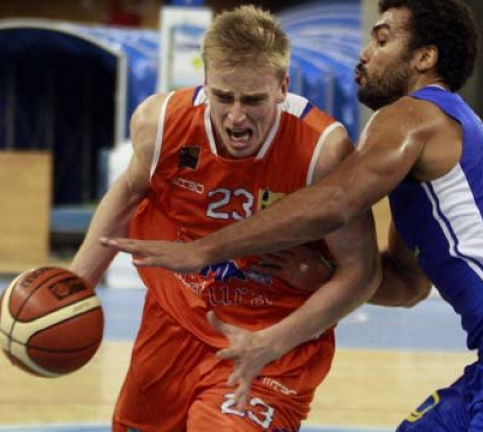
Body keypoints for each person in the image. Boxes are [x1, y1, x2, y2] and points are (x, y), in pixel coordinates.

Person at [104, 0, 483, 430]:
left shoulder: (413, 116)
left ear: (424, 57)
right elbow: (407, 285)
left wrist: (206, 247)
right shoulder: (426, 172)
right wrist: (325, 274)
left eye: (381, 39)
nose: (364, 54)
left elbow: (334, 202)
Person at [72, 6, 380, 431]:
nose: (236, 116)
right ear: (205, 83)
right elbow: (127, 193)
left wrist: (272, 341)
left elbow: (362, 273)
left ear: (281, 86)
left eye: (253, 99)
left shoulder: (322, 151)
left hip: (271, 338)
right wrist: (76, 286)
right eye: (223, 96)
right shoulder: (160, 123)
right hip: (173, 326)